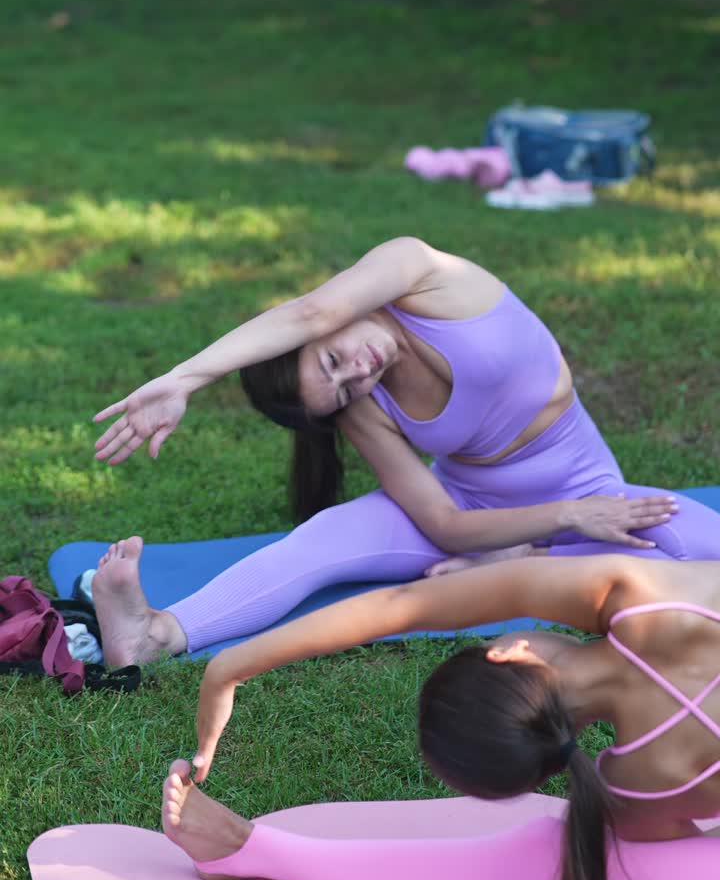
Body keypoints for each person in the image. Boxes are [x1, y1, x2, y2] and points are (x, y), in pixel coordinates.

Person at [91, 237, 720, 665]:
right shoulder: (362, 403)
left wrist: (185, 379)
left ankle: (522, 560)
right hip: (480, 507)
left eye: (332, 360)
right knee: (322, 540)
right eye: (341, 389)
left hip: (588, 489)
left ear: (325, 327)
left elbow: (309, 310)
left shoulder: (419, 270)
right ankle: (156, 634)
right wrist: (564, 519)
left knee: (695, 547)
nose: (357, 374)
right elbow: (444, 524)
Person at [161, 553, 720, 880]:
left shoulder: (641, 786)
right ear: (508, 651)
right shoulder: (634, 591)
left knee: (596, 858)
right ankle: (252, 850)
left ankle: (255, 849)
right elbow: (405, 603)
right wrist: (228, 668)